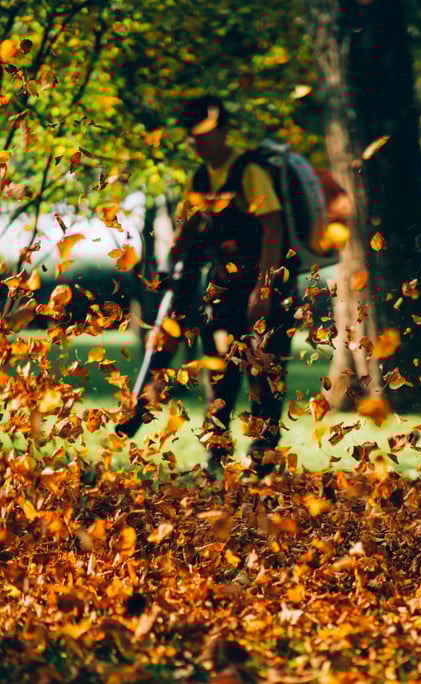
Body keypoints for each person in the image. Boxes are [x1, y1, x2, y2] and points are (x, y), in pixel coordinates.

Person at [142, 95, 297, 478]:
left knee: (263, 371)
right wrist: (173, 258)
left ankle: (262, 458)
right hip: (222, 290)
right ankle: (216, 450)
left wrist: (264, 290)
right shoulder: (199, 178)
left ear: (223, 131)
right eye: (193, 135)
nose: (198, 141)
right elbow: (190, 228)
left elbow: (273, 227)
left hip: (265, 287)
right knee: (218, 370)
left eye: (205, 133)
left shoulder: (248, 171)